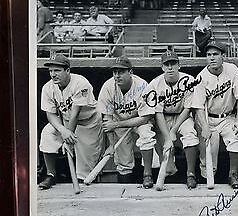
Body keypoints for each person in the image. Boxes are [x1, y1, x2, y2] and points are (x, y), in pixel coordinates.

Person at [38, 54, 104, 189]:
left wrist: (68, 138)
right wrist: (63, 131)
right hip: (66, 121)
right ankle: (51, 174)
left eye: (57, 70)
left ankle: (85, 194)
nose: (53, 74)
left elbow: (76, 113)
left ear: (67, 70)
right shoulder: (48, 88)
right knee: (47, 133)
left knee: (85, 172)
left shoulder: (81, 83)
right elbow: (50, 114)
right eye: (50, 71)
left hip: (89, 123)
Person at [192, 41, 238, 189]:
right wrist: (204, 126)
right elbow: (198, 107)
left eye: (215, 54)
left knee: (237, 136)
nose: (212, 58)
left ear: (223, 56)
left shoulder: (232, 70)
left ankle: (233, 174)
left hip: (227, 117)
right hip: (208, 118)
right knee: (208, 152)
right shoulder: (201, 77)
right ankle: (207, 177)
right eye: (209, 55)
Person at [140, 51, 200, 189]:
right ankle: (149, 175)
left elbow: (187, 108)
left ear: (179, 65)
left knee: (190, 134)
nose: (170, 67)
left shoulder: (189, 80)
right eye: (167, 64)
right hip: (163, 117)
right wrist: (167, 137)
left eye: (173, 63)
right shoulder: (155, 84)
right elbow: (158, 113)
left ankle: (190, 173)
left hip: (182, 116)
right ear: (162, 67)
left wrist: (173, 131)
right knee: (165, 154)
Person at [97, 56, 158, 186]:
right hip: (118, 121)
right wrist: (112, 145)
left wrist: (117, 124)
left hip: (139, 120)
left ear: (130, 72)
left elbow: (145, 117)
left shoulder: (142, 86)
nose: (117, 75)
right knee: (123, 161)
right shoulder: (108, 87)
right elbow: (107, 120)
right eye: (115, 72)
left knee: (146, 135)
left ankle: (147, 175)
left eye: (121, 72)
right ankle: (124, 189)